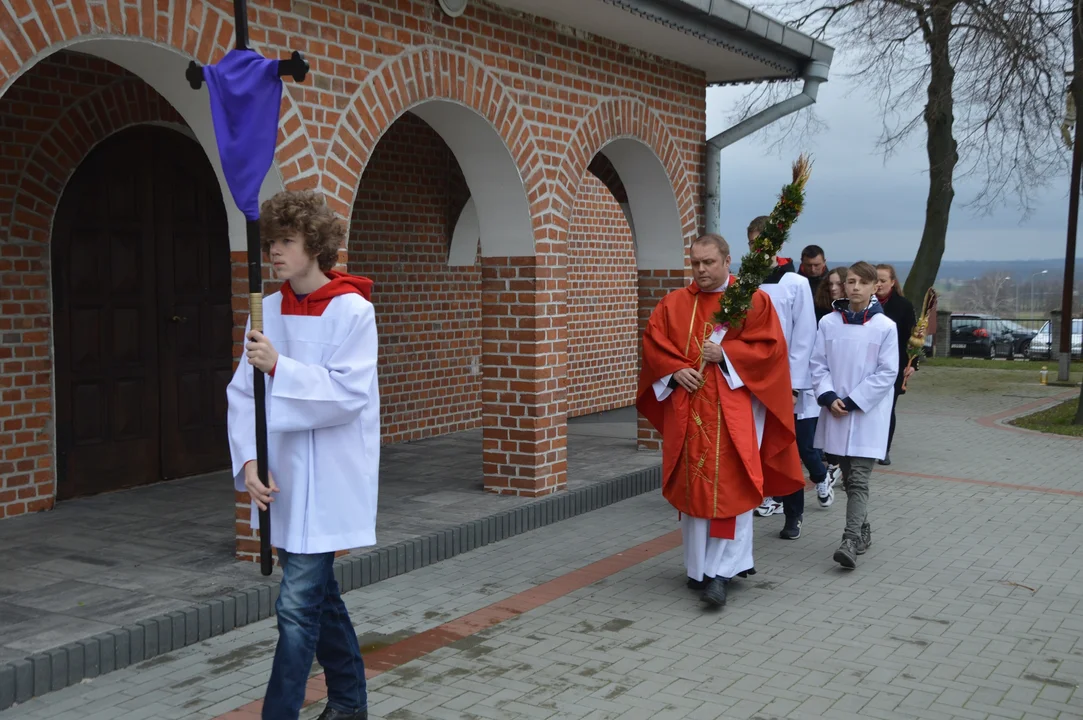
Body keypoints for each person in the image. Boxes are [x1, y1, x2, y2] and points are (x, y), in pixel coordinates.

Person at [227, 190, 378, 720]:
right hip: (283, 479)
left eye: (286, 241)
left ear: (315, 244)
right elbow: (242, 395)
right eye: (271, 242)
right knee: (320, 602)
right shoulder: (264, 311)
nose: (274, 252)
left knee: (295, 609)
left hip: (332, 480)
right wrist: (248, 462)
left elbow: (348, 395)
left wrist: (279, 368)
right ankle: (349, 704)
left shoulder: (354, 311)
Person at [637, 233, 804, 608]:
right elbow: (654, 344)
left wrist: (726, 353)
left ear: (728, 262)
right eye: (695, 263)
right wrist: (676, 370)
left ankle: (724, 570)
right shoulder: (674, 303)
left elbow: (771, 351)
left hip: (734, 416)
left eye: (708, 263)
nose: (701, 270)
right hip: (690, 415)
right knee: (693, 488)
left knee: (732, 487)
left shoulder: (751, 301)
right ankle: (698, 569)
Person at [744, 216, 829, 541]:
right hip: (751, 380)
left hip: (784, 384)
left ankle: (793, 514)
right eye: (753, 243)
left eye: (762, 243)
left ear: (776, 243)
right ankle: (753, 501)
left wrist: (793, 385)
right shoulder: (743, 282)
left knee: (785, 450)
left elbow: (805, 336)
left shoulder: (793, 282)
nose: (757, 248)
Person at [810, 261, 898, 569]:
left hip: (865, 415)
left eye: (862, 282)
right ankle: (863, 529)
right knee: (848, 478)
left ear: (875, 287)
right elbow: (818, 363)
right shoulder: (829, 323)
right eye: (850, 281)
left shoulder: (885, 327)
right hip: (836, 412)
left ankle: (849, 540)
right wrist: (830, 396)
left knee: (859, 479)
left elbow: (887, 373)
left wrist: (853, 400)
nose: (855, 287)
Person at [874, 264, 917, 466]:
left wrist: (913, 363)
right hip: (868, 365)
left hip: (895, 365)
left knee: (888, 408)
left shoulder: (903, 305)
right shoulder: (864, 303)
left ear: (892, 282)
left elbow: (913, 338)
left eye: (883, 280)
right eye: (876, 280)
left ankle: (884, 449)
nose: (879, 284)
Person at [812, 267, 849, 485]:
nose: (834, 289)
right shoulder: (824, 314)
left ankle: (842, 467)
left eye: (839, 284)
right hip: (826, 379)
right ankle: (835, 463)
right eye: (830, 284)